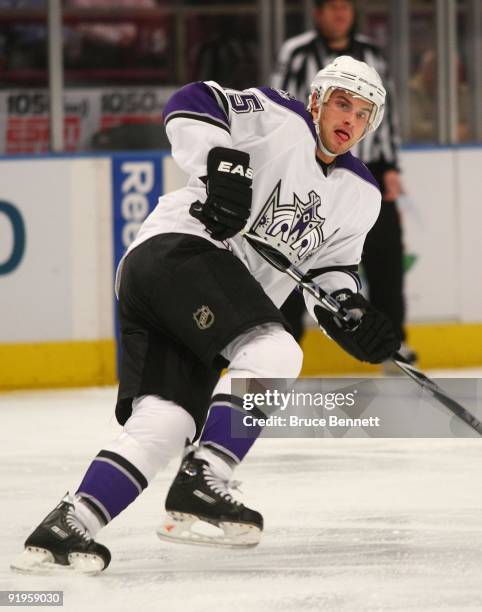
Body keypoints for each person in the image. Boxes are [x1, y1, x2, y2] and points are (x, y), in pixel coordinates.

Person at [12, 55, 399, 573]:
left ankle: (71, 522)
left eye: (363, 112)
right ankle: (206, 474)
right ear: (316, 101)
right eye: (341, 102)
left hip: (185, 297)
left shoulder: (362, 196)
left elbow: (330, 275)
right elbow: (190, 101)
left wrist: (349, 311)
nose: (349, 118)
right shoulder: (276, 116)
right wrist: (223, 161)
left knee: (166, 422)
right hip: (176, 254)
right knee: (274, 349)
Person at [271, 0, 416, 366]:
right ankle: (280, 347)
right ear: (317, 13)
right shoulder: (298, 52)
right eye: (333, 8)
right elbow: (282, 105)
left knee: (386, 262)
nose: (341, 15)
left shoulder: (371, 54)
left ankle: (392, 343)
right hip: (309, 173)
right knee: (290, 256)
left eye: (346, 8)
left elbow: (390, 112)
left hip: (371, 177)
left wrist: (393, 166)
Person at [409, 50, 470, 143]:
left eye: (457, 71)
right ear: (427, 71)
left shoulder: (465, 93)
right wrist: (449, 130)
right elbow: (412, 127)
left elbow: (477, 124)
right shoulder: (410, 92)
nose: (453, 76)